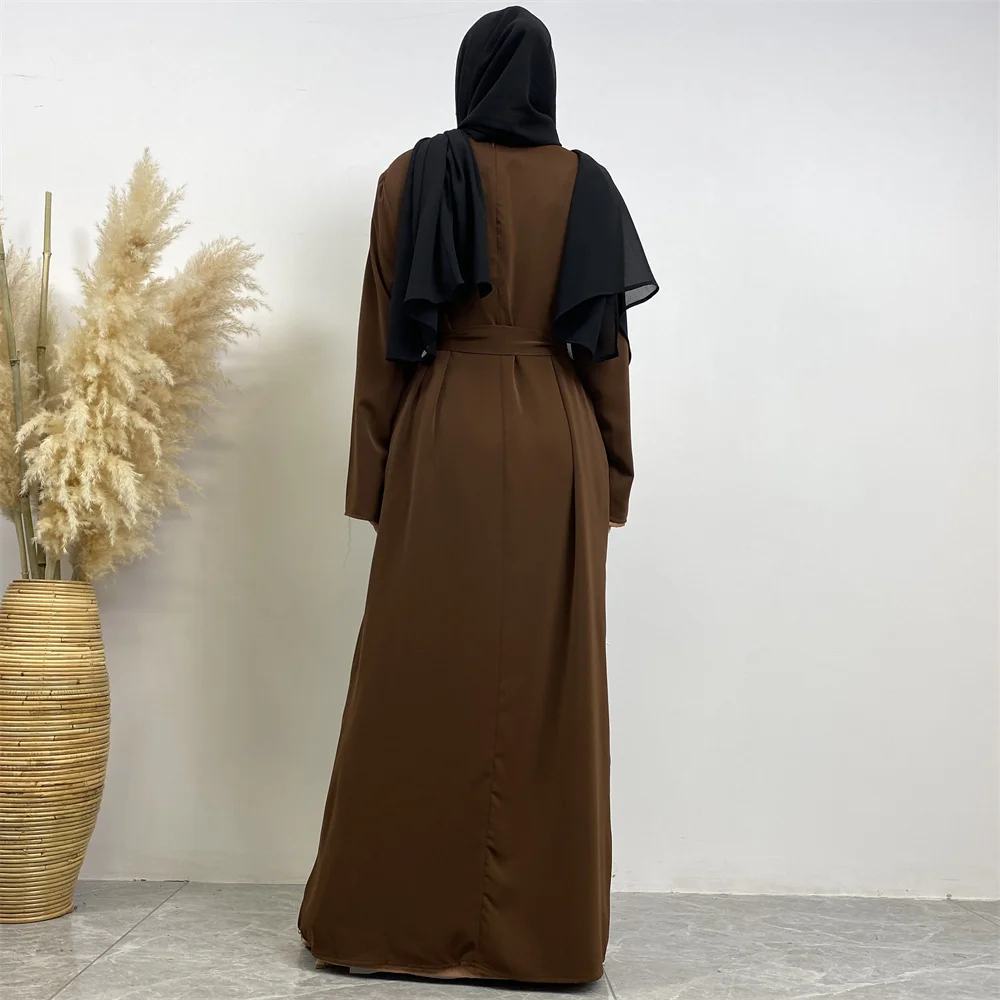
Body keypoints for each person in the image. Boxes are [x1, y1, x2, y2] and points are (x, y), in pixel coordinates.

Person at [299, 5, 656, 985]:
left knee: (413, 677)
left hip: (443, 431)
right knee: (548, 692)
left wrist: (375, 479)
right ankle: (545, 941)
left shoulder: (409, 179)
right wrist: (614, 475)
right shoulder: (589, 184)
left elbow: (382, 346)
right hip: (556, 442)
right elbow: (607, 351)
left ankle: (383, 925)